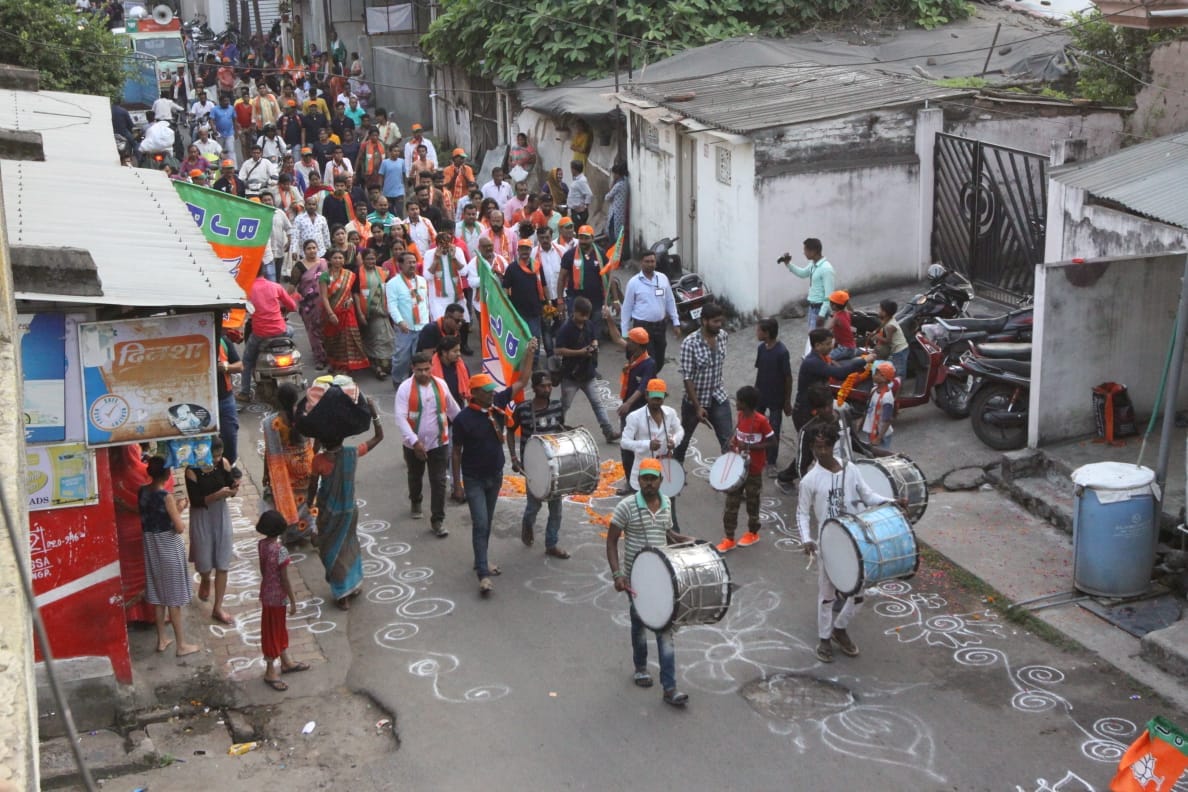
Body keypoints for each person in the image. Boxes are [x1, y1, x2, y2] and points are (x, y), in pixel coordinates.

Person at [797, 423, 895, 663]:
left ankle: (839, 629)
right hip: (828, 543)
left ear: (833, 445)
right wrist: (806, 539)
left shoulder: (851, 469)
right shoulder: (809, 481)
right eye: (816, 447)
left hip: (856, 539)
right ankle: (824, 638)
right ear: (811, 447)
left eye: (826, 446)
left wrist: (892, 502)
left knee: (858, 592)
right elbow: (802, 513)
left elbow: (868, 495)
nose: (821, 452)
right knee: (827, 594)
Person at [605, 457, 694, 706]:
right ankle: (641, 667)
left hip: (663, 580)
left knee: (664, 630)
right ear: (639, 480)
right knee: (639, 623)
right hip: (636, 579)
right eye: (644, 478)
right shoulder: (626, 507)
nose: (648, 483)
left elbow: (666, 533)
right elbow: (611, 541)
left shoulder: (666, 504)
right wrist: (617, 574)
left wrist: (684, 539)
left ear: (660, 481)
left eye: (652, 478)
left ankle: (670, 688)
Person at [450, 345, 537, 596]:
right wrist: (457, 484)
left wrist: (529, 354)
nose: (491, 395)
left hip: (495, 475)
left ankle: (482, 559)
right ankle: (483, 574)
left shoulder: (497, 404)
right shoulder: (463, 419)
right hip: (474, 478)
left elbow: (522, 381)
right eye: (487, 392)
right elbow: (456, 452)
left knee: (486, 522)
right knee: (480, 522)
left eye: (492, 391)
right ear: (474, 393)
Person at [308, 397, 383, 609]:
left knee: (332, 551)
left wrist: (307, 506)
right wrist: (374, 412)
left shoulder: (319, 461)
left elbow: (312, 489)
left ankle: (342, 594)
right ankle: (352, 585)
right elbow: (379, 437)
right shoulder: (352, 453)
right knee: (349, 547)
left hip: (328, 514)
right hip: (349, 511)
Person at [395, 352, 461, 538]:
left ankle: (437, 520)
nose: (423, 373)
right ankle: (415, 500)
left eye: (426, 369)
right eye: (419, 370)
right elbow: (400, 418)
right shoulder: (404, 389)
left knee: (439, 481)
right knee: (415, 475)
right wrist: (415, 442)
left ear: (432, 366)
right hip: (412, 444)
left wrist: (466, 427)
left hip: (439, 442)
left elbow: (453, 409)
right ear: (412, 369)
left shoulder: (441, 384)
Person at [139, 456, 199, 656]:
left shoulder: (142, 492)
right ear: (166, 473)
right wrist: (180, 508)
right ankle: (182, 644)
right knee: (174, 598)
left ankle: (162, 639)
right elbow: (179, 527)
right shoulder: (166, 496)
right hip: (168, 547)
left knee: (158, 595)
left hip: (151, 546)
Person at [507, 370, 571, 556]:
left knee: (556, 508)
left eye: (549, 385)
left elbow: (559, 428)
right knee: (533, 506)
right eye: (543, 386)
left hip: (555, 465)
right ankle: (527, 525)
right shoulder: (523, 409)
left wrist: (571, 431)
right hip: (533, 467)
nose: (547, 389)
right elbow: (510, 431)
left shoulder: (558, 407)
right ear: (534, 388)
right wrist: (513, 458)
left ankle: (551, 544)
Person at [185, 437, 239, 625]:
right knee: (204, 561)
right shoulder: (192, 470)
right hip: (202, 516)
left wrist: (233, 489)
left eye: (219, 456)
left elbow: (231, 484)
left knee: (223, 562)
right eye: (213, 456)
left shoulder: (223, 464)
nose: (217, 460)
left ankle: (218, 607)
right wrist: (216, 495)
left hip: (220, 514)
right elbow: (196, 501)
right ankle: (206, 578)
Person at [716, 385, 775, 553]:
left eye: (739, 401)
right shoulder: (741, 416)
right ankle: (729, 538)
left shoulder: (761, 421)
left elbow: (772, 442)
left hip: (754, 469)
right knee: (731, 503)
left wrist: (750, 445)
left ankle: (753, 533)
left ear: (747, 404)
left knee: (752, 502)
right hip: (738, 467)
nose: (736, 403)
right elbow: (739, 435)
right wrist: (734, 442)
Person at [256, 510, 310, 691]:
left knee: (275, 629)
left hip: (266, 595)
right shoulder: (281, 551)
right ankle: (271, 670)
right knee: (274, 630)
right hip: (277, 597)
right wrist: (293, 600)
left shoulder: (262, 545)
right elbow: (285, 579)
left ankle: (285, 660)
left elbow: (264, 570)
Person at [555, 297, 619, 443]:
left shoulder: (589, 325)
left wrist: (594, 346)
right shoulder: (565, 329)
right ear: (575, 312)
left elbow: (594, 338)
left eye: (587, 315)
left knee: (598, 403)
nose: (584, 318)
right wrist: (579, 352)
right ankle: (556, 428)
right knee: (565, 405)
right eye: (582, 315)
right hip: (571, 375)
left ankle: (608, 431)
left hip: (588, 373)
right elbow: (558, 350)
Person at [673, 303, 732, 463]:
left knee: (729, 442)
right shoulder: (689, 343)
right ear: (704, 321)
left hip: (718, 396)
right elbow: (687, 378)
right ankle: (674, 476)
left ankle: (729, 481)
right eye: (715, 322)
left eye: (720, 321)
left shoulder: (723, 336)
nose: (719, 325)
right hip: (695, 401)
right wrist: (698, 406)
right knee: (682, 441)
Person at [262, 383, 316, 545]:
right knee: (308, 499)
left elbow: (269, 451)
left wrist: (266, 473)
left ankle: (291, 533)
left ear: (278, 400)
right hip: (306, 462)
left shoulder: (273, 423)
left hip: (285, 467)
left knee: (289, 500)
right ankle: (308, 530)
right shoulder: (304, 415)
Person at [792, 329, 872, 430]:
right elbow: (839, 374)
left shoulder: (821, 358)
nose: (831, 346)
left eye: (831, 343)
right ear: (817, 345)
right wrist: (863, 360)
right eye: (828, 344)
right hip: (807, 412)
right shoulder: (812, 362)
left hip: (817, 407)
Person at [240, 267, 296, 402]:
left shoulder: (246, 290)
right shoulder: (275, 286)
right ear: (264, 272)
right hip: (281, 331)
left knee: (247, 361)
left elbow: (241, 311)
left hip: (260, 334)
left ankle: (244, 393)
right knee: (291, 330)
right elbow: (293, 306)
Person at [619, 378, 683, 493]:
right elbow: (624, 442)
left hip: (664, 472)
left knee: (667, 507)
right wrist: (647, 444)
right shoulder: (635, 417)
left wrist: (674, 440)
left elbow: (680, 431)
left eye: (660, 399)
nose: (657, 402)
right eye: (654, 398)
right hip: (643, 474)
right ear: (646, 396)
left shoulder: (670, 413)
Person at [620, 250, 679, 373]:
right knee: (648, 359)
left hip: (660, 326)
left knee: (659, 359)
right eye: (647, 261)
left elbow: (670, 300)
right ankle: (651, 387)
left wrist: (676, 322)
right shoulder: (634, 283)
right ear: (642, 263)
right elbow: (626, 308)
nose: (650, 264)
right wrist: (625, 332)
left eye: (652, 261)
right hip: (642, 327)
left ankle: (649, 381)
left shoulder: (662, 279)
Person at [754, 318, 793, 474]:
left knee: (773, 429)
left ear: (767, 333)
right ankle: (758, 454)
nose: (756, 333)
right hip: (761, 395)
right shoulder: (761, 348)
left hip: (776, 398)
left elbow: (788, 377)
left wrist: (787, 401)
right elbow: (760, 371)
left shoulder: (782, 352)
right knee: (756, 426)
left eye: (759, 330)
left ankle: (771, 462)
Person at [385, 250, 429, 384]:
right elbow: (392, 305)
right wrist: (400, 321)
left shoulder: (421, 280)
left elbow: (425, 302)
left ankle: (413, 381)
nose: (412, 265)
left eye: (414, 262)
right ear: (400, 265)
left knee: (419, 357)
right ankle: (397, 380)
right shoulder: (393, 283)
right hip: (405, 327)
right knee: (402, 357)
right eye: (409, 262)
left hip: (422, 325)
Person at [503, 240, 548, 362]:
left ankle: (534, 362)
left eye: (527, 249)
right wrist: (507, 307)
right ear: (518, 251)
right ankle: (520, 363)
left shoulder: (537, 266)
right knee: (519, 338)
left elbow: (543, 286)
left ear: (530, 251)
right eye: (522, 249)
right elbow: (505, 287)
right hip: (518, 312)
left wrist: (547, 304)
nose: (524, 252)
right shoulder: (512, 268)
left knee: (535, 338)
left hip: (534, 311)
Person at [291, 239, 329, 370]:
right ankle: (319, 358)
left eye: (314, 248)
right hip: (308, 305)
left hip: (324, 302)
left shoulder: (324, 263)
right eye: (309, 248)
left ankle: (328, 356)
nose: (312, 251)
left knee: (326, 328)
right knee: (313, 331)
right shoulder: (299, 267)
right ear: (304, 250)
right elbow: (291, 287)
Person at [358, 248, 395, 378]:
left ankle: (382, 365)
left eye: (373, 259)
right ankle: (376, 365)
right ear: (363, 260)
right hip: (366, 313)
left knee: (385, 338)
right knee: (372, 339)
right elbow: (356, 295)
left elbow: (389, 289)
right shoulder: (358, 274)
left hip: (382, 312)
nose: (371, 261)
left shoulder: (382, 272)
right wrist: (360, 313)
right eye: (368, 259)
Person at [784, 237, 835, 331]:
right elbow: (803, 273)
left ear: (814, 251)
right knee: (813, 339)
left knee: (817, 341)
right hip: (812, 307)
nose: (804, 253)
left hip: (820, 309)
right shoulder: (813, 264)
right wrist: (788, 264)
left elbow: (829, 295)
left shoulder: (826, 269)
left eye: (805, 250)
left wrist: (822, 314)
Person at [872, 299, 910, 379]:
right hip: (898, 349)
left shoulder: (890, 326)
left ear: (885, 313)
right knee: (897, 368)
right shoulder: (888, 319)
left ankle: (899, 387)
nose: (879, 311)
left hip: (899, 350)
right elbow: (881, 326)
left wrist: (877, 337)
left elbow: (888, 340)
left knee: (899, 371)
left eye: (880, 309)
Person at [863, 361, 897, 449]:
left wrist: (879, 438)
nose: (874, 375)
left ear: (885, 378)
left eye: (878, 374)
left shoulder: (887, 398)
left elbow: (887, 420)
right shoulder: (874, 390)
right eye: (875, 373)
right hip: (871, 429)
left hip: (881, 434)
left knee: (882, 457)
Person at [825, 290, 857, 360]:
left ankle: (839, 369)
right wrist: (846, 300)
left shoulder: (836, 317)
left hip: (845, 348)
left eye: (830, 303)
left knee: (825, 359)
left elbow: (826, 329)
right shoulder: (846, 312)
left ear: (833, 306)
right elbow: (852, 311)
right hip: (851, 346)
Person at [378, 144, 407, 217]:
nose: (397, 153)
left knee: (399, 211)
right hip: (387, 192)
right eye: (395, 151)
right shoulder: (385, 163)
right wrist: (380, 190)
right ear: (390, 152)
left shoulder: (402, 162)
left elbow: (404, 175)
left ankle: (401, 226)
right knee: (389, 213)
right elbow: (381, 176)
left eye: (398, 151)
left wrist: (405, 188)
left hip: (399, 191)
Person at [605, 161, 629, 242]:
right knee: (618, 232)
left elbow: (607, 197)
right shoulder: (625, 182)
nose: (613, 176)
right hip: (621, 212)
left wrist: (612, 184)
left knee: (613, 232)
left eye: (614, 174)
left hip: (615, 212)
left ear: (618, 174)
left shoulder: (618, 185)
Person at [567, 160, 593, 227]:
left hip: (579, 212)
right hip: (574, 211)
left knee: (578, 229)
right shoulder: (577, 179)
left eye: (571, 169)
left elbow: (589, 194)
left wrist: (585, 206)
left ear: (574, 170)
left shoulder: (581, 181)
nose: (571, 171)